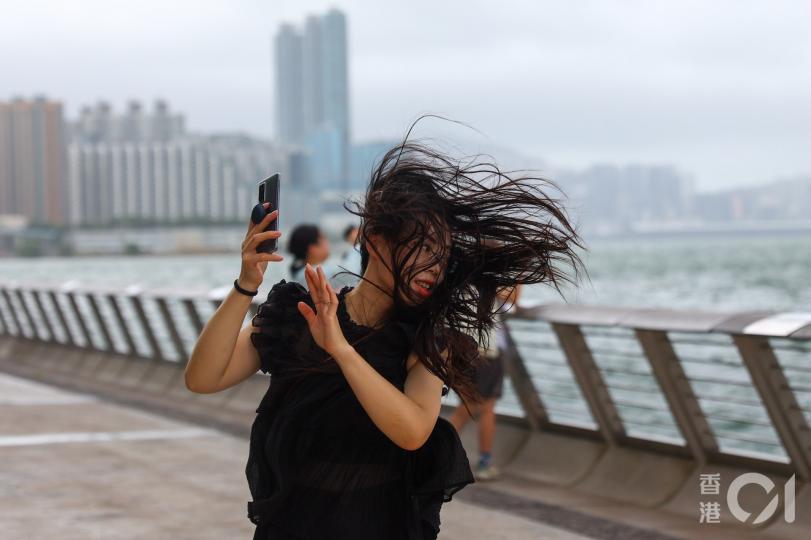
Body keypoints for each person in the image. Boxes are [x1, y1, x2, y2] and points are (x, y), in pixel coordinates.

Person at [184, 118, 588, 540]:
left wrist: (341, 350)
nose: (434, 269)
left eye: (442, 255)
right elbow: (203, 378)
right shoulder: (299, 314)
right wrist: (246, 283)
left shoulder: (426, 338)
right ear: (376, 239)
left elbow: (413, 431)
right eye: (424, 249)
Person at [449, 284, 522, 482]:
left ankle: (432, 453)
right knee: (484, 408)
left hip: (460, 348)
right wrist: (518, 279)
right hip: (485, 350)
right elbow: (514, 300)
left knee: (466, 407)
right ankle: (483, 462)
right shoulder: (492, 273)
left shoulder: (463, 271)